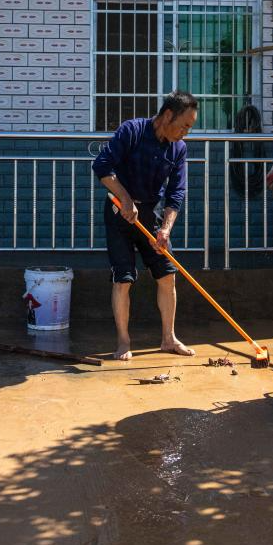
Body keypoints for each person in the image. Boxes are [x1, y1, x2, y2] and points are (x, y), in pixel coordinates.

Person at [92, 90, 199, 361]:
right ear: (167, 116)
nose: (187, 132)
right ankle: (124, 342)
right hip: (119, 211)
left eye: (191, 127)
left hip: (152, 216)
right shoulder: (133, 131)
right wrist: (126, 199)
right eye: (184, 125)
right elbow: (102, 166)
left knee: (167, 274)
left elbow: (176, 194)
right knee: (123, 279)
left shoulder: (178, 149)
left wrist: (165, 229)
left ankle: (168, 338)